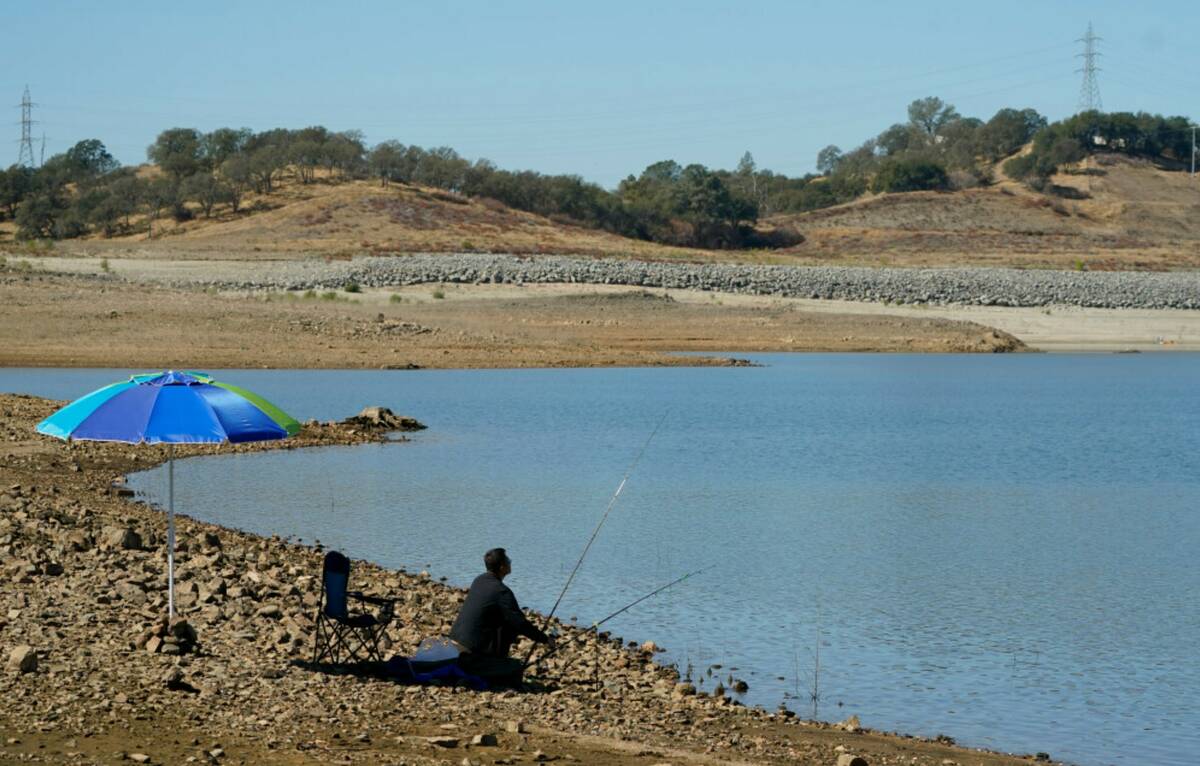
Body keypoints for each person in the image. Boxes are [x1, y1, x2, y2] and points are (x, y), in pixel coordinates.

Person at [449, 547, 551, 687]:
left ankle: (491, 662)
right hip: (471, 654)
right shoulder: (502, 592)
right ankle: (490, 666)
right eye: (508, 560)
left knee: (505, 620)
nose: (510, 562)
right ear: (502, 567)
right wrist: (544, 639)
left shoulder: (479, 580)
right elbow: (520, 623)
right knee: (515, 668)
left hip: (454, 645)